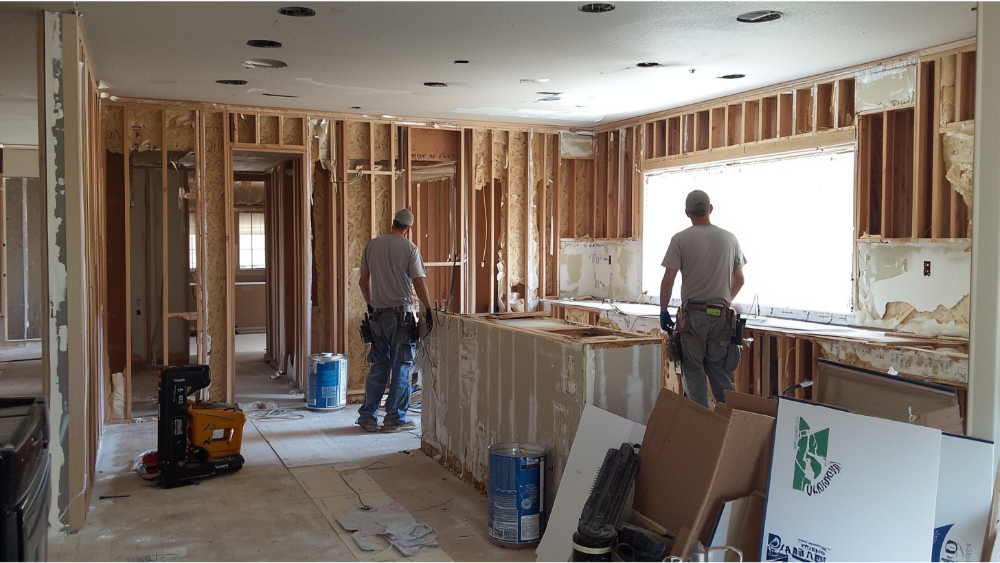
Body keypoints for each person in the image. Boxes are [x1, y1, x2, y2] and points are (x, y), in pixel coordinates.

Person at [659, 190, 746, 408]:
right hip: (721, 318)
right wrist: (725, 301)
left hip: (692, 318)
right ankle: (732, 430)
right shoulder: (730, 238)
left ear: (687, 212)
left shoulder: (680, 239)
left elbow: (668, 280)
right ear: (710, 209)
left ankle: (700, 433)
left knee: (694, 376)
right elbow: (740, 279)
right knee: (721, 376)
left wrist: (663, 311)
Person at [357, 209, 434, 432]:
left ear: (393, 224)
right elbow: (419, 281)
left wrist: (371, 305)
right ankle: (394, 419)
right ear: (408, 229)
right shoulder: (409, 248)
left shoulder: (372, 246)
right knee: (401, 367)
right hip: (401, 318)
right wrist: (428, 309)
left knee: (379, 367)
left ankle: (367, 417)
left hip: (378, 318)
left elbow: (363, 282)